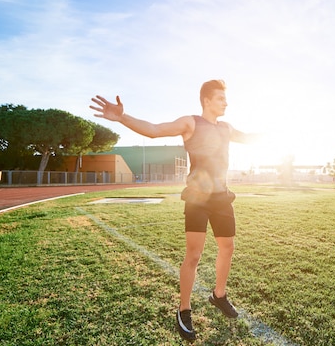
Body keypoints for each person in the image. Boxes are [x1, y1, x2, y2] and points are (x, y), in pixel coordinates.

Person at [90, 79, 255, 341]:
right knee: (194, 254)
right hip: (198, 197)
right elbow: (155, 130)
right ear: (207, 101)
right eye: (221, 98)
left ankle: (219, 295)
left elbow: (250, 138)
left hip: (222, 196)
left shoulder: (226, 127)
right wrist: (123, 118)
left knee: (228, 246)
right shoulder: (190, 123)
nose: (226, 102)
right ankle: (183, 310)